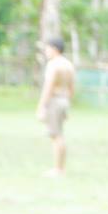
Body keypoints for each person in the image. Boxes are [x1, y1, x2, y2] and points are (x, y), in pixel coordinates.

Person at [35, 36, 75, 176]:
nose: (46, 51)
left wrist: (41, 106)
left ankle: (58, 169)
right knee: (59, 135)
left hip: (55, 101)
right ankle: (60, 168)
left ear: (54, 49)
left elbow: (49, 87)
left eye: (47, 48)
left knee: (56, 136)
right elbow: (71, 88)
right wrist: (68, 104)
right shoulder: (68, 64)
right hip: (64, 100)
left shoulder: (53, 65)